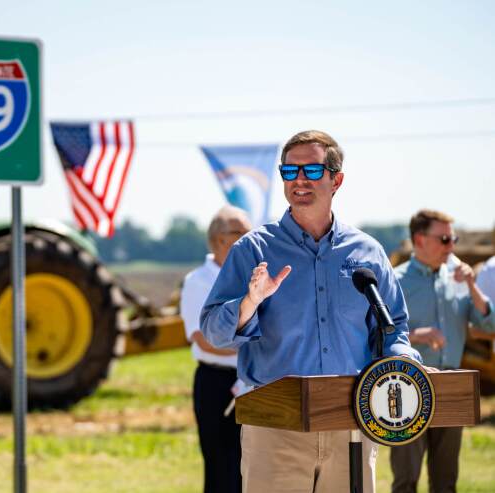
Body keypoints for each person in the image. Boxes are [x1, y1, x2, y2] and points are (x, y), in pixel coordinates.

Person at [200, 130, 421, 493]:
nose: (299, 180)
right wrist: (249, 302)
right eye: (290, 171)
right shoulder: (252, 250)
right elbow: (213, 330)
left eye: (312, 170)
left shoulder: (367, 252)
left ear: (337, 180)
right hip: (276, 427)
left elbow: (393, 326)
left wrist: (402, 361)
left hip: (352, 422)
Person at [390, 210, 495, 493]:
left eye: (454, 239)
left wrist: (472, 284)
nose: (452, 247)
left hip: (451, 384)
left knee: (446, 481)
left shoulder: (460, 280)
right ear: (420, 240)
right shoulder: (395, 280)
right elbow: (376, 336)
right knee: (405, 480)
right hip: (408, 385)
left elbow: (489, 323)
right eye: (446, 239)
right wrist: (415, 335)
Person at [180, 205, 251, 493]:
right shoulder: (198, 281)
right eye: (242, 233)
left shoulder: (253, 277)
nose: (250, 239)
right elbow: (203, 338)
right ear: (221, 239)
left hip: (253, 382)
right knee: (221, 468)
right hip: (217, 384)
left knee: (252, 466)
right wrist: (252, 351)